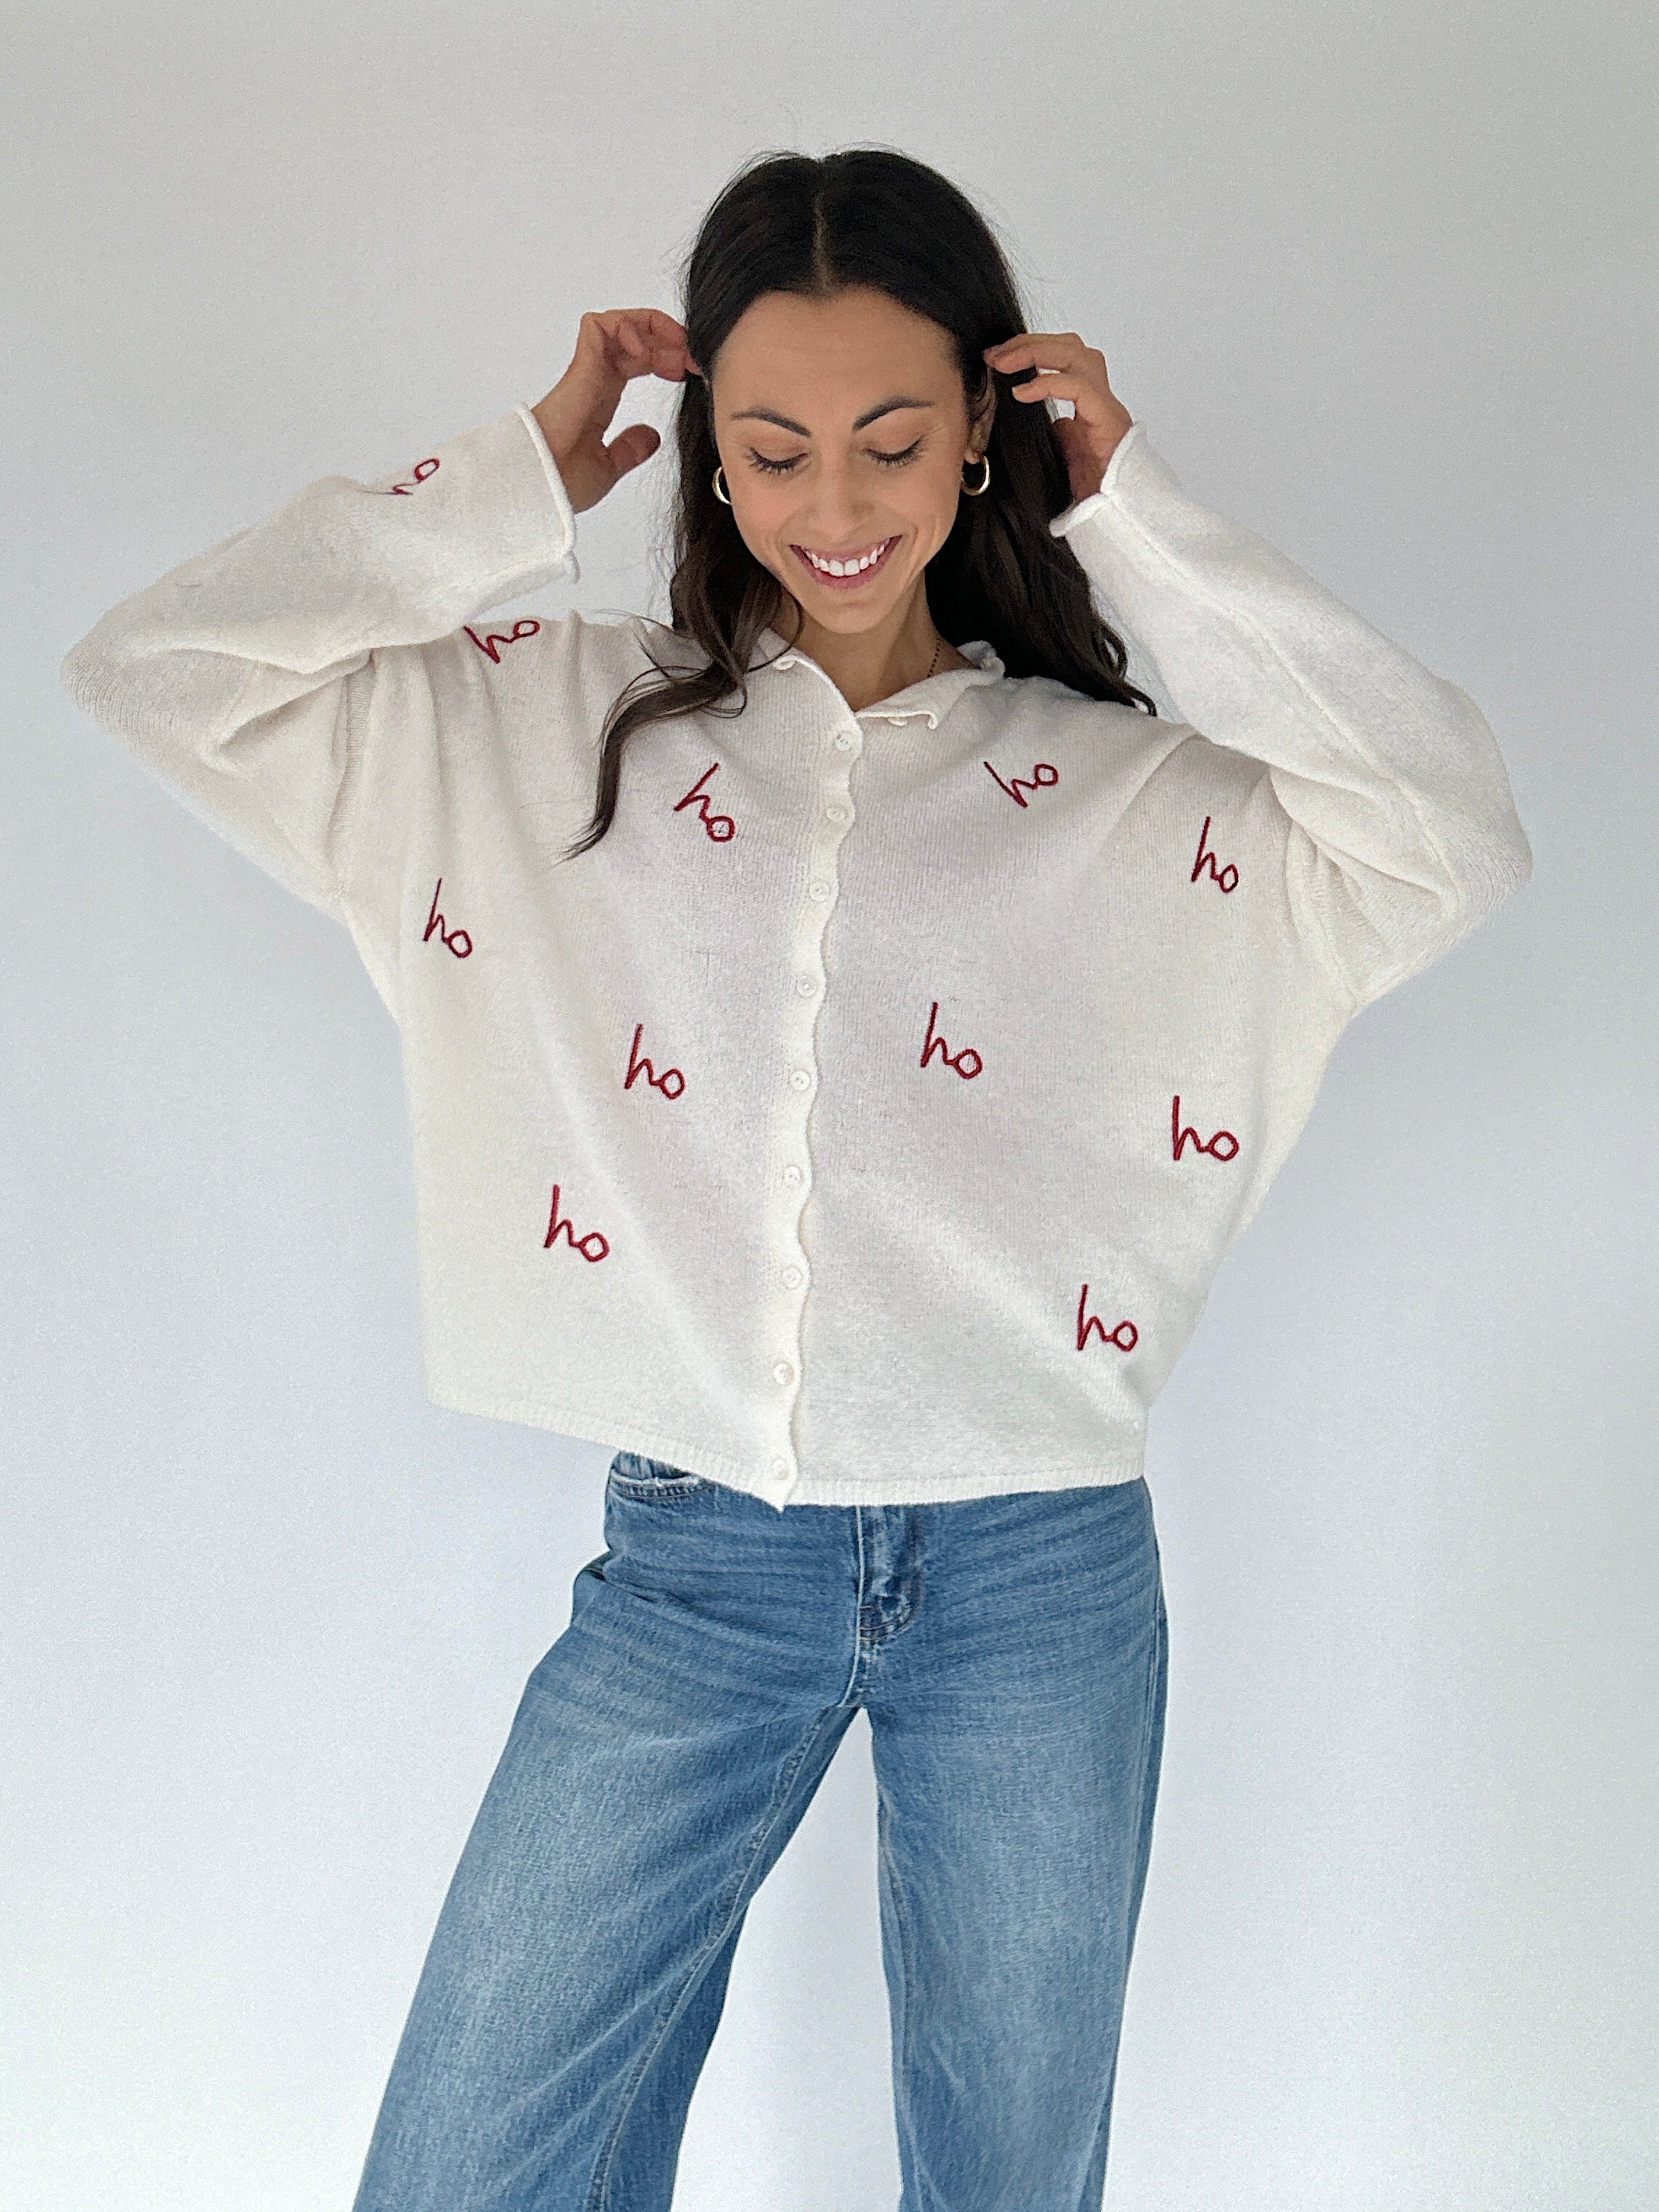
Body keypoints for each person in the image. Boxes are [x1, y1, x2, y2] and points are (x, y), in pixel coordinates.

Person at [60, 147, 1532, 2211]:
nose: (835, 507)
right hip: (697, 1570)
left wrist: (1142, 518)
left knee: (1010, 2175)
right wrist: (513, 480)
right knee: (471, 2166)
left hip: (1036, 1565)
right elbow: (158, 674)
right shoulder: (545, 736)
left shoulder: (1119, 795)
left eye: (891, 441)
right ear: (710, 466)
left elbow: (1448, 828)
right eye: (772, 451)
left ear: (986, 439)